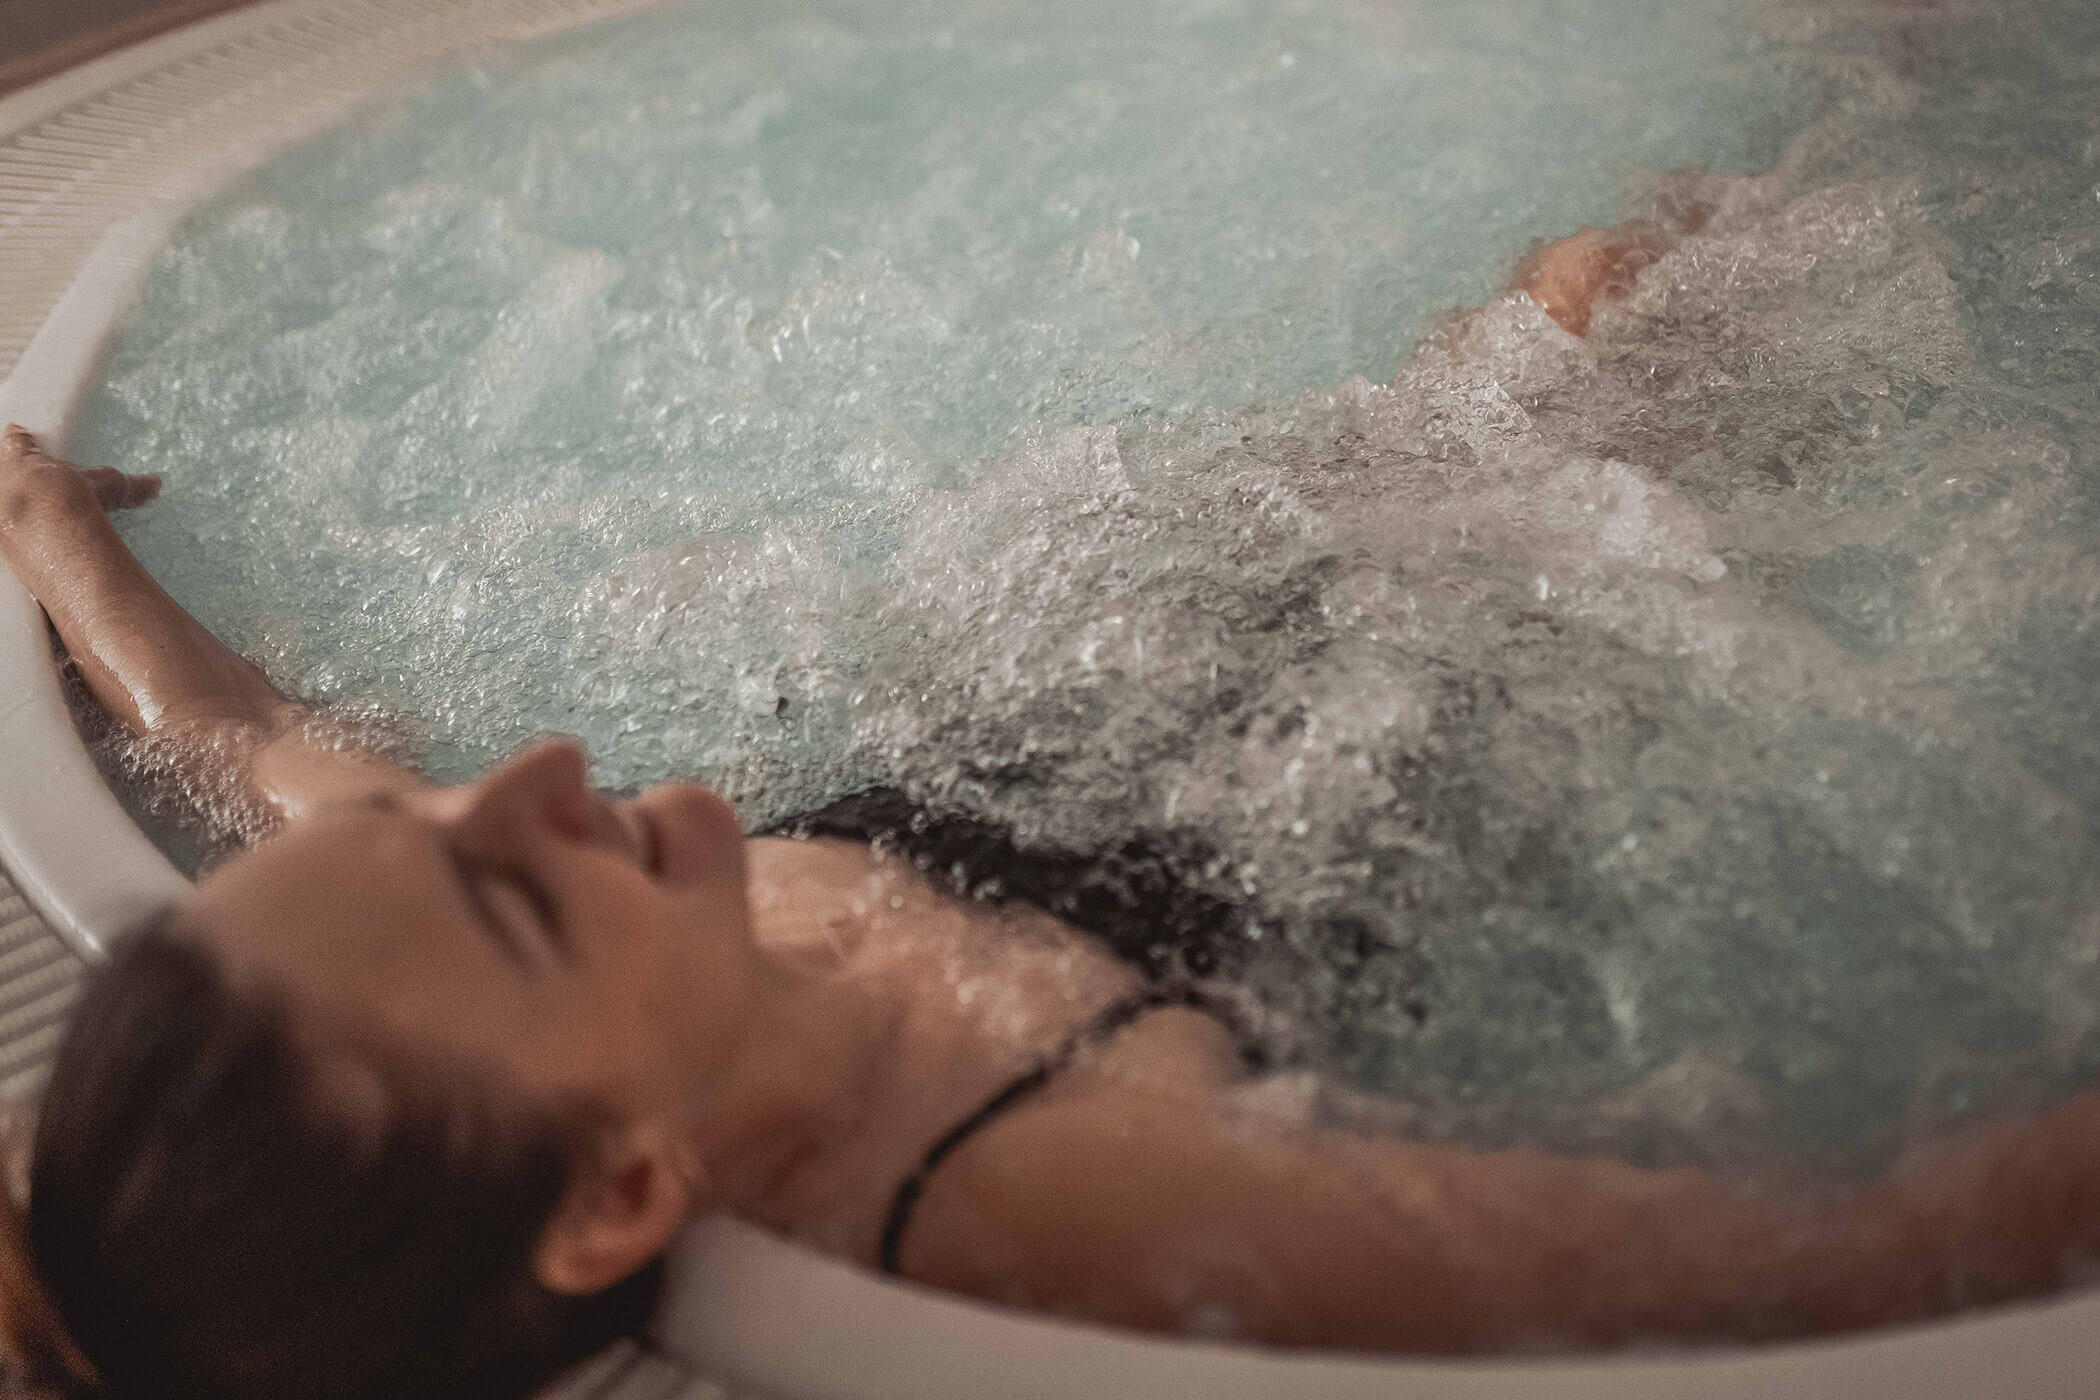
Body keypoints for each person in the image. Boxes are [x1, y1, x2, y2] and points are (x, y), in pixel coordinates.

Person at [1, 227, 2098, 1400]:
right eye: (508, 884)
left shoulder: (480, 984)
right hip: (1468, 706)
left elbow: (244, 736)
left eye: (435, 817)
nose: (536, 781)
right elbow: (1839, 1251)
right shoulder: (1062, 1186)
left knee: (1594, 285)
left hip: (1132, 661)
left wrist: (46, 531)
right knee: (1735, 368)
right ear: (623, 1197)